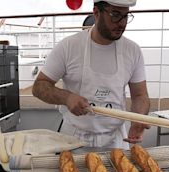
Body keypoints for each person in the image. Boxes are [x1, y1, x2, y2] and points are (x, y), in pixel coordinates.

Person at [32, 0, 150, 149]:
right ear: (96, 13)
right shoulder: (69, 46)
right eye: (115, 15)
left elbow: (140, 95)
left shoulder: (133, 51)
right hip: (74, 138)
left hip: (116, 140)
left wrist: (138, 118)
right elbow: (39, 86)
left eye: (126, 16)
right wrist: (67, 97)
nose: (122, 23)